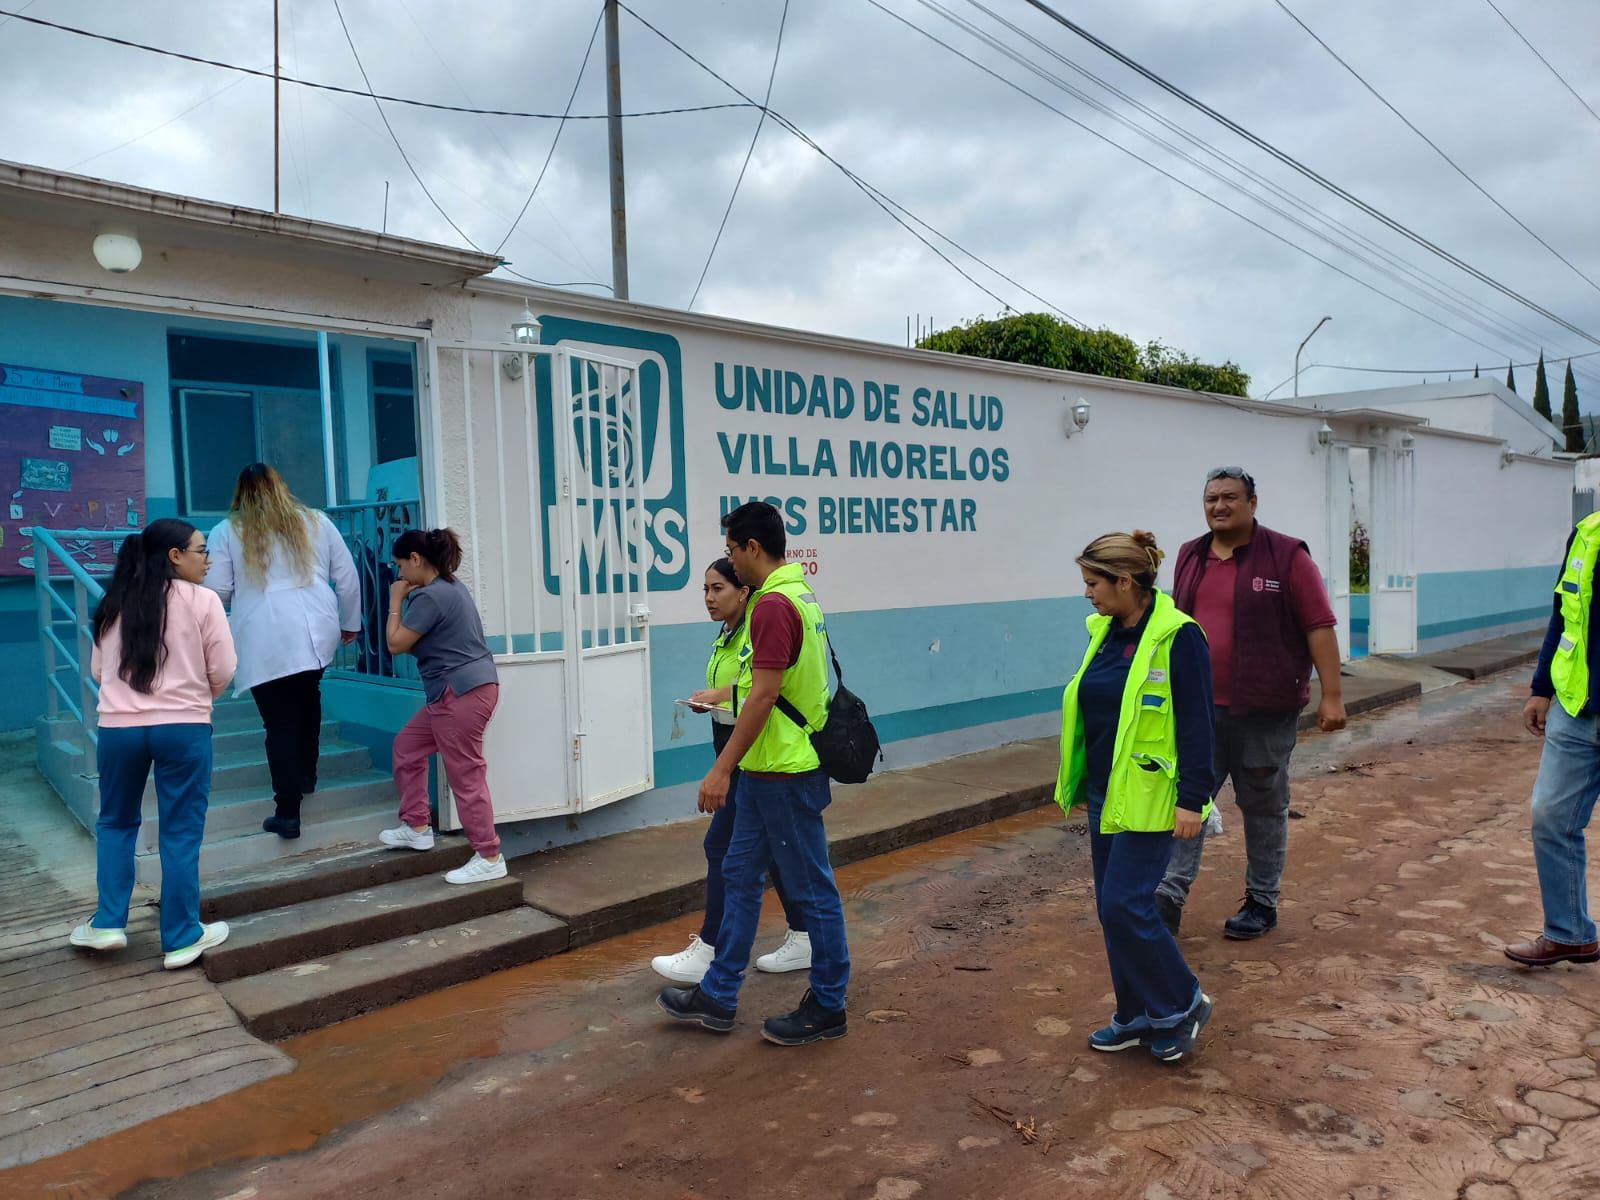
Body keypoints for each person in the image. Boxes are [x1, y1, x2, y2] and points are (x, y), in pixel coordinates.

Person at [657, 502, 850, 1045]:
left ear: (752, 548)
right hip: (769, 770)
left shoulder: (771, 606)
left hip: (785, 772)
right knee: (739, 875)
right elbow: (765, 688)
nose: (730, 561)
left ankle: (829, 1004)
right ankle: (718, 994)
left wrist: (721, 770)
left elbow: (764, 696)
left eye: (731, 551)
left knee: (812, 891)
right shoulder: (799, 594)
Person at [1155, 466, 1345, 941]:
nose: (1219, 506)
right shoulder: (1190, 554)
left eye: (1230, 498)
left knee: (1263, 805)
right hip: (1198, 709)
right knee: (1188, 800)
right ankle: (1169, 895)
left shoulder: (1287, 556)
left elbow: (1318, 626)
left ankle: (1262, 901)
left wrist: (1332, 696)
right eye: (1211, 499)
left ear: (1252, 503)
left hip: (1265, 708)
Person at [1057, 530, 1215, 1063]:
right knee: (1111, 909)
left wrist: (1193, 799)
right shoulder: (1104, 632)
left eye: (1093, 583)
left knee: (1126, 904)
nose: (1087, 593)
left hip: (1153, 795)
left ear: (1125, 581)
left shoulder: (1178, 637)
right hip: (1106, 791)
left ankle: (1182, 1003)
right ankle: (1136, 1014)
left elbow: (1199, 723)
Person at [68, 520, 237, 969]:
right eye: (202, 551)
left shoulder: (115, 602)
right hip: (184, 728)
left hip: (119, 729)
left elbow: (99, 672)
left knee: (116, 822)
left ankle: (108, 924)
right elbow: (223, 668)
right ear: (175, 556)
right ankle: (181, 937)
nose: (208, 560)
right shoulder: (203, 600)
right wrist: (196, 697)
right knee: (180, 831)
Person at [650, 559, 811, 984]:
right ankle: (806, 935)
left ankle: (712, 951)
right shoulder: (728, 633)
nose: (709, 598)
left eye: (718, 588)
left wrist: (722, 763)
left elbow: (764, 689)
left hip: (756, 755)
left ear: (743, 592)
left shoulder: (761, 625)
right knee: (775, 851)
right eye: (705, 589)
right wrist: (714, 699)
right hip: (740, 750)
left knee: (723, 848)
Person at [206, 464, 360, 839]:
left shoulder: (227, 530)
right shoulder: (316, 521)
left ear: (240, 494)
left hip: (264, 634)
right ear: (281, 486)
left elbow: (216, 589)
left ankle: (287, 812)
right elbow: (347, 576)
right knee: (307, 699)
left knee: (279, 722)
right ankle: (306, 774)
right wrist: (350, 622)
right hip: (316, 626)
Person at [379, 528, 505, 885]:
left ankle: (489, 856)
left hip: (459, 694)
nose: (400, 573)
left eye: (400, 565)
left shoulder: (431, 596)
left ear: (415, 559)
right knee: (407, 746)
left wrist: (395, 600)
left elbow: (395, 644)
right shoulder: (450, 586)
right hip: (460, 691)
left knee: (465, 774)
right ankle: (417, 826)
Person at [1505, 509, 1600, 967]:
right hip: (1577, 710)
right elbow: (1564, 616)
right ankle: (1570, 933)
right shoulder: (1588, 532)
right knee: (1550, 816)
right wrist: (1541, 688)